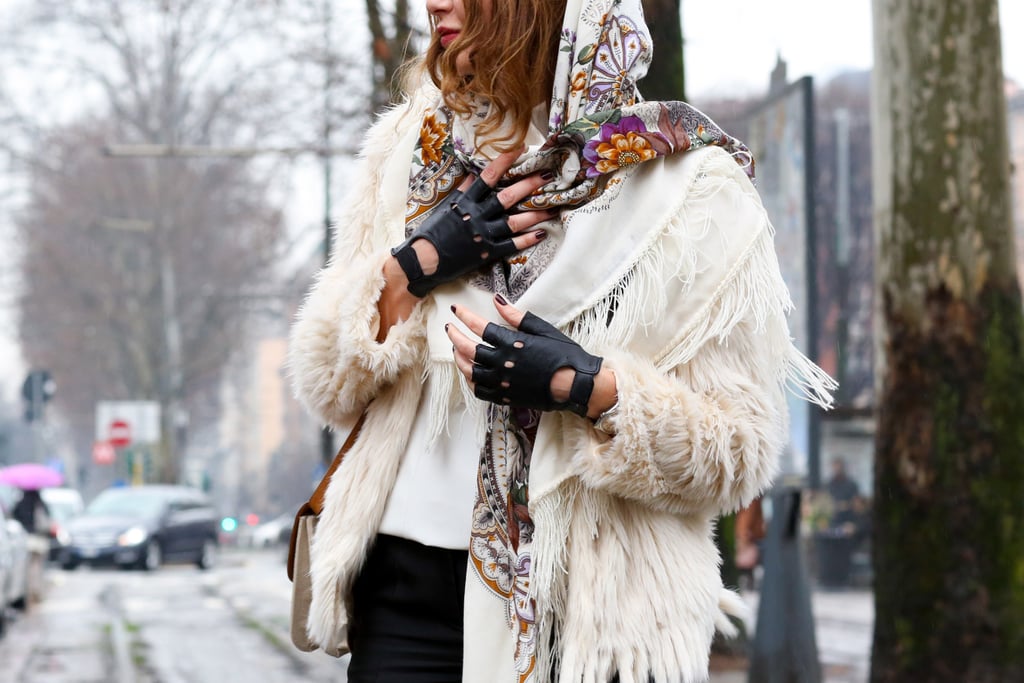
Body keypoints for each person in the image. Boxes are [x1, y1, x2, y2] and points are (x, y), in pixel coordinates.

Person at [287, 1, 834, 681]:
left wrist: (582, 385)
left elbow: (737, 452)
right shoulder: (408, 150)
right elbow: (327, 382)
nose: (434, 3)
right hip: (402, 595)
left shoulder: (689, 192)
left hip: (588, 619)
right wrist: (422, 259)